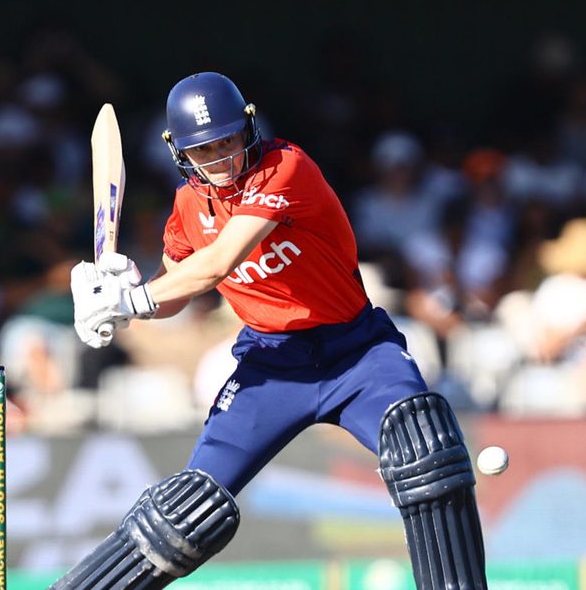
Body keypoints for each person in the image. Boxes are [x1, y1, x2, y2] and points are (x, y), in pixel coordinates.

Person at [59, 73, 488, 589]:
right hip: (271, 368)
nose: (220, 160)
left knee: (426, 451)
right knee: (185, 511)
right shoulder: (188, 208)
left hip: (357, 353)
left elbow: (218, 263)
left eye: (227, 142)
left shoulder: (285, 168)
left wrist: (135, 300)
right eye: (204, 150)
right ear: (179, 153)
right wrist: (123, 301)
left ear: (248, 130)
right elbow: (174, 290)